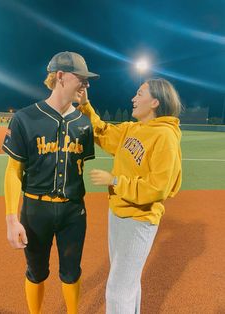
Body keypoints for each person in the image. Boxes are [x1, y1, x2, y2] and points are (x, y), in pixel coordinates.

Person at [3, 51, 99, 314]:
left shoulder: (83, 122)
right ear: (60, 76)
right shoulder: (25, 117)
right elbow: (14, 170)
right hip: (36, 211)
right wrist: (12, 219)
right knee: (36, 273)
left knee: (71, 273)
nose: (86, 84)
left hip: (73, 212)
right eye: (81, 78)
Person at [78, 78, 182, 314]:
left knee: (117, 290)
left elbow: (159, 187)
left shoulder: (165, 136)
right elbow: (103, 132)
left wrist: (116, 181)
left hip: (139, 219)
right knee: (128, 282)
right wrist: (85, 106)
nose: (133, 98)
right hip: (118, 212)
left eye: (139, 93)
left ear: (155, 101)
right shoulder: (132, 129)